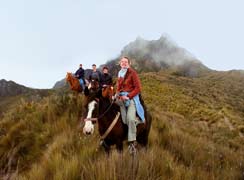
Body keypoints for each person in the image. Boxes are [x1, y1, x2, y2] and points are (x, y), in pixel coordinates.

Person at [115, 56, 145, 154]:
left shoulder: (132, 73)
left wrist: (128, 96)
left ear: (129, 63)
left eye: (126, 62)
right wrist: (117, 94)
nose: (124, 63)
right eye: (122, 62)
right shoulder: (119, 73)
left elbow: (138, 88)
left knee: (130, 119)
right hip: (121, 98)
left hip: (130, 98)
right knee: (122, 118)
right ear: (120, 63)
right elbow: (118, 87)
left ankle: (132, 143)